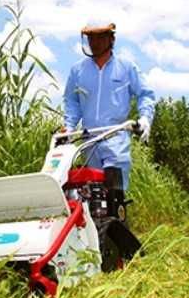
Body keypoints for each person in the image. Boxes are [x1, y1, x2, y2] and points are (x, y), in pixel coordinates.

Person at [63, 23, 156, 190]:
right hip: (88, 140)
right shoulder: (78, 70)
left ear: (111, 39)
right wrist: (68, 127)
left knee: (114, 191)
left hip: (116, 137)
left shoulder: (126, 67)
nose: (94, 42)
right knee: (93, 194)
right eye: (91, 38)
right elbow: (72, 102)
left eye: (99, 37)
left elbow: (145, 94)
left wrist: (145, 118)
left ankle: (117, 213)